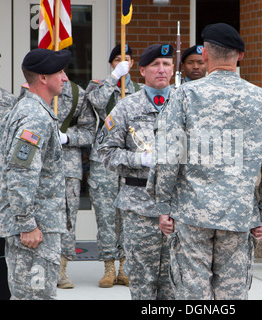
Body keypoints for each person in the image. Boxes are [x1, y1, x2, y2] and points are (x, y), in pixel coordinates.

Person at [148, 23, 262, 300]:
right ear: (239, 56)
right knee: (232, 293)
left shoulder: (184, 96)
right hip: (239, 215)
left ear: (205, 55)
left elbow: (168, 155)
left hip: (192, 214)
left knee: (192, 294)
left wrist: (163, 205)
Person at [0, 48, 71, 300]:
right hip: (36, 230)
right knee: (36, 296)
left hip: (35, 225)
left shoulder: (26, 108)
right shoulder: (34, 117)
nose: (65, 78)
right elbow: (20, 173)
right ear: (43, 78)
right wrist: (27, 224)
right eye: (59, 72)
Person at [97, 43, 175, 300]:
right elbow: (104, 152)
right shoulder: (126, 107)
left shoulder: (186, 104)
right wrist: (139, 158)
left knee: (175, 283)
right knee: (142, 282)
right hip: (140, 206)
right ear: (142, 70)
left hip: (179, 206)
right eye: (155, 64)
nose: (161, 69)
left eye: (167, 64)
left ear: (173, 68)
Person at [20, 77, 96, 289]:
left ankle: (62, 267)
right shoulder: (29, 91)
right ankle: (40, 266)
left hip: (68, 164)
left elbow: (89, 131)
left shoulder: (77, 93)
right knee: (38, 212)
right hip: (39, 162)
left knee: (68, 216)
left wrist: (68, 137)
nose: (62, 76)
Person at [86, 44, 141, 288]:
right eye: (117, 59)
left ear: (133, 63)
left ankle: (125, 265)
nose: (122, 62)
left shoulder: (139, 90)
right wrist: (114, 78)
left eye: (126, 59)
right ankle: (108, 266)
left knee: (128, 214)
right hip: (104, 160)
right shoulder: (99, 86)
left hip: (131, 159)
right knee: (106, 214)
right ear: (111, 63)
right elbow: (97, 104)